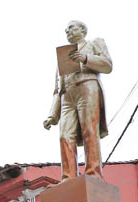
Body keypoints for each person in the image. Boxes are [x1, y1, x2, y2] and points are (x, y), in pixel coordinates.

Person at [44, 20, 112, 181]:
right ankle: (68, 176)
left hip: (87, 87)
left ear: (82, 29)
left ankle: (93, 173)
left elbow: (107, 65)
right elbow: (57, 89)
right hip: (67, 95)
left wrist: (86, 58)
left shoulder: (94, 43)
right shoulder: (64, 55)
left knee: (89, 130)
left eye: (71, 27)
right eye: (65, 30)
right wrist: (52, 115)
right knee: (65, 135)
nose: (67, 31)